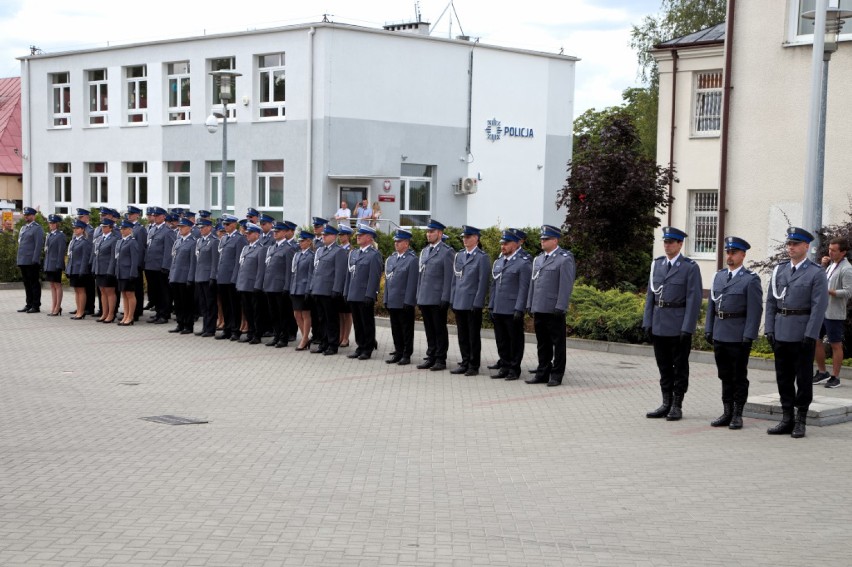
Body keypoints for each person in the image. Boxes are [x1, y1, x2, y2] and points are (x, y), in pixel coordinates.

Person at [765, 227, 828, 438]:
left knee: (803, 379)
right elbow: (771, 302)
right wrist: (769, 329)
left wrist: (810, 335)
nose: (790, 247)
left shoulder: (815, 272)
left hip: (802, 333)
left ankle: (801, 419)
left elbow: (819, 307)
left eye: (795, 244)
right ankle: (786, 418)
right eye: (789, 244)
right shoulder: (780, 270)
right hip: (781, 331)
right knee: (783, 378)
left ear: (806, 247)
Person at [704, 237, 763, 429]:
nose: (729, 256)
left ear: (743, 255)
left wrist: (749, 335)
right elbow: (711, 306)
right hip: (720, 332)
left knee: (738, 376)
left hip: (738, 335)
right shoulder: (719, 276)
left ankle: (738, 414)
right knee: (724, 375)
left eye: (734, 253)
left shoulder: (750, 279)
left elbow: (755, 311)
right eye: (727, 252)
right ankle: (727, 412)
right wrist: (709, 328)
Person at [643, 227, 703, 419]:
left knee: (679, 367)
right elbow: (650, 296)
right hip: (659, 323)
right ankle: (665, 402)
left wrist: (688, 327)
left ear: (679, 244)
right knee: (664, 367)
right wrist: (648, 322)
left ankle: (677, 404)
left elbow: (694, 300)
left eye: (671, 242)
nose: (667, 245)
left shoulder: (689, 267)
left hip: (678, 326)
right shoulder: (657, 265)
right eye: (665, 242)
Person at [525, 224, 576, 387]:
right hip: (539, 307)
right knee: (542, 343)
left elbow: (566, 284)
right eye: (541, 238)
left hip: (554, 308)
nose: (542, 241)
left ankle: (556, 375)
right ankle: (542, 372)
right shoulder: (538, 259)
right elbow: (533, 283)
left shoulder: (564, 258)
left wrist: (561, 306)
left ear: (555, 240)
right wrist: (530, 303)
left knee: (558, 344)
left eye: (545, 239)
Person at [488, 229, 532, 380]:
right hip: (499, 307)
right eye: (502, 243)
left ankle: (514, 369)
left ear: (515, 244)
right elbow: (494, 285)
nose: (503, 246)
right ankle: (504, 366)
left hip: (512, 308)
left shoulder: (523, 263)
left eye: (506, 243)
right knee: (501, 340)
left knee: (515, 341)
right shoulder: (499, 261)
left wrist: (519, 308)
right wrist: (491, 305)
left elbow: (523, 288)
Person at [449, 225, 491, 376]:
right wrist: (452, 298)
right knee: (462, 335)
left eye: (468, 237)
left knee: (473, 336)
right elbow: (455, 279)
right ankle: (465, 361)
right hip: (460, 300)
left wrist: (478, 303)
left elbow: (483, 282)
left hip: (472, 303)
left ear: (476, 238)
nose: (464, 240)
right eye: (464, 237)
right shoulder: (459, 255)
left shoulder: (482, 257)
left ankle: (474, 365)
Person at [813, 237, 852, 389]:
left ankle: (835, 377)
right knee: (816, 340)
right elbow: (821, 280)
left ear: (843, 252)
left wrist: (830, 292)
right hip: (822, 310)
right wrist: (822, 266)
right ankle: (822, 372)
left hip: (834, 312)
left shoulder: (846, 269)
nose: (830, 252)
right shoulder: (830, 265)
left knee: (836, 344)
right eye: (829, 249)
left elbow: (849, 292)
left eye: (834, 250)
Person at [416, 219, 454, 371]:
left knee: (439, 329)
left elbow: (448, 277)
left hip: (438, 298)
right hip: (425, 297)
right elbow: (421, 275)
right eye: (428, 231)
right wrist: (418, 295)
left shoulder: (447, 252)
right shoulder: (425, 251)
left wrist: (446, 297)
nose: (428, 234)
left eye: (431, 232)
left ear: (440, 233)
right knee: (429, 329)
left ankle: (440, 358)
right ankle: (431, 355)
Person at [345, 224, 383, 360]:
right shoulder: (354, 253)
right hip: (354, 293)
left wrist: (370, 294)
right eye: (358, 235)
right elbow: (349, 274)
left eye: (361, 235)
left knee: (367, 322)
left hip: (364, 295)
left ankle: (368, 348)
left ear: (369, 238)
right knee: (357, 323)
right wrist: (346, 291)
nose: (358, 237)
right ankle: (360, 346)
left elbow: (374, 277)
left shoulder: (374, 255)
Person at [309, 224, 348, 355]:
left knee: (331, 319)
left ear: (333, 236)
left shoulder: (339, 251)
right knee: (321, 319)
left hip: (329, 291)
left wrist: (336, 289)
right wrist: (312, 287)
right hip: (318, 290)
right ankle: (323, 342)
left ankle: (332, 344)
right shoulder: (321, 250)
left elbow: (339, 272)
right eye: (323, 235)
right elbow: (316, 271)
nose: (323, 237)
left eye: (326, 235)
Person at [383, 229, 419, 365]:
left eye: (399, 242)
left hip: (404, 301)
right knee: (395, 329)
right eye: (395, 241)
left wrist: (409, 301)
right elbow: (387, 281)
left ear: (406, 243)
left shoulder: (412, 260)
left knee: (406, 329)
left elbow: (412, 283)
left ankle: (406, 354)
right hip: (393, 300)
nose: (396, 244)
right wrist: (386, 298)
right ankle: (398, 352)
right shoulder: (392, 259)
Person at [263, 222, 294, 348]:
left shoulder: (288, 248)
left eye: (278, 232)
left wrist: (287, 286)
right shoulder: (272, 247)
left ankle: (283, 337)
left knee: (283, 314)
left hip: (281, 287)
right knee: (273, 313)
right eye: (274, 232)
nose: (275, 233)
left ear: (285, 233)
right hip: (270, 285)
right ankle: (276, 335)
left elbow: (289, 270)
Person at [215, 214, 246, 340]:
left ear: (234, 224)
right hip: (222, 277)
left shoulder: (239, 239)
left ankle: (235, 330)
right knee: (225, 305)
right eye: (224, 224)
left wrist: (235, 278)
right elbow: (221, 258)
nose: (225, 227)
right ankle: (227, 329)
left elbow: (239, 260)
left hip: (231, 278)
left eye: (227, 224)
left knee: (234, 306)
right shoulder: (224, 239)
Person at [144, 207, 175, 324]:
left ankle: (164, 314)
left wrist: (165, 266)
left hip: (160, 267)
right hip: (151, 266)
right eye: (154, 216)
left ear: (163, 217)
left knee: (164, 291)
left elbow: (169, 251)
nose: (155, 217)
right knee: (154, 291)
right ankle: (158, 312)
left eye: (157, 216)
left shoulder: (168, 231)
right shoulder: (152, 230)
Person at [235, 222, 264, 344]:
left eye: (250, 233)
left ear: (257, 234)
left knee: (256, 311)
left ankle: (257, 334)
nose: (247, 235)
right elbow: (241, 267)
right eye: (247, 233)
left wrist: (258, 285)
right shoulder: (246, 248)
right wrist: (238, 283)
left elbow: (261, 269)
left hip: (253, 286)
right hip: (244, 284)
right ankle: (250, 332)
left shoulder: (261, 249)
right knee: (247, 310)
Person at [168, 218, 197, 335]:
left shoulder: (193, 242)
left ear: (190, 228)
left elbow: (192, 262)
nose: (180, 229)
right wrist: (171, 275)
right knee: (178, 302)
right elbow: (173, 260)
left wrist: (190, 278)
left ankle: (188, 325)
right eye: (179, 227)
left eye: (183, 227)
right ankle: (180, 323)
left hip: (185, 277)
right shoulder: (178, 241)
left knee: (187, 303)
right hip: (175, 276)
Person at [193, 217, 219, 337]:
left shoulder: (214, 241)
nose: (201, 230)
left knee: (210, 304)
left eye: (203, 227)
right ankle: (205, 327)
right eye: (199, 228)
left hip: (208, 277)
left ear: (209, 227)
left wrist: (213, 277)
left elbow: (215, 261)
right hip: (199, 276)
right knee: (203, 304)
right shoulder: (200, 241)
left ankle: (211, 328)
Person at [16, 206, 45, 313]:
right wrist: (19, 259)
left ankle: (36, 305)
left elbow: (38, 245)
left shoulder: (37, 228)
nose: (26, 217)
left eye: (28, 215)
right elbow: (20, 245)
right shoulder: (24, 228)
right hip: (23, 260)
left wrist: (35, 259)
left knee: (34, 283)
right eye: (25, 215)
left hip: (31, 261)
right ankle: (28, 304)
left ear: (33, 216)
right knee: (26, 283)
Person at [114, 220, 142, 326]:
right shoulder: (120, 241)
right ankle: (125, 315)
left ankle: (131, 316)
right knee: (124, 294)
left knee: (130, 294)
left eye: (124, 229)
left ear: (130, 230)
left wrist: (133, 273)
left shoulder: (132, 242)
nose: (122, 230)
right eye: (121, 228)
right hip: (121, 272)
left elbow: (135, 260)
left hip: (128, 272)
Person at [290, 230, 315, 350]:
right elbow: (293, 273)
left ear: (309, 242)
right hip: (296, 288)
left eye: (303, 241)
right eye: (299, 241)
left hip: (304, 288)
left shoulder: (311, 256)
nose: (300, 243)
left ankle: (304, 339)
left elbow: (311, 275)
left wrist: (308, 290)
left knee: (305, 314)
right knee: (296, 314)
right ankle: (305, 336)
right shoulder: (298, 254)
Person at [90, 218, 118, 323]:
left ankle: (111, 314)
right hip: (99, 268)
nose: (103, 228)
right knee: (102, 292)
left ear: (111, 228)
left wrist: (110, 271)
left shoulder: (114, 239)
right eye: (102, 226)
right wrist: (94, 268)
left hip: (107, 269)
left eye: (105, 226)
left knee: (110, 291)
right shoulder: (99, 238)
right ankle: (104, 313)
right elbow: (95, 255)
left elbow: (113, 257)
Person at [66, 220, 93, 320]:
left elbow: (85, 258)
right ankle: (78, 310)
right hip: (73, 269)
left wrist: (82, 271)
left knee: (81, 291)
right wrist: (68, 269)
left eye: (77, 228)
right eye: (74, 228)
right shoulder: (74, 241)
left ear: (82, 230)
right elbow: (70, 257)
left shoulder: (85, 242)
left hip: (80, 270)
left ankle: (81, 312)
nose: (75, 230)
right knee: (77, 291)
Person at [126, 206, 147, 321]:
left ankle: (137, 311)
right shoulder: (126, 226)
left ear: (137, 215)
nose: (129, 215)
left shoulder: (140, 229)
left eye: (132, 214)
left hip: (136, 263)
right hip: (126, 264)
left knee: (137, 288)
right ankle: (129, 310)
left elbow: (141, 248)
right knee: (129, 289)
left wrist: (138, 264)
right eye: (128, 214)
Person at [43, 214, 66, 316]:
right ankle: (54, 306)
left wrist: (58, 265)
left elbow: (61, 251)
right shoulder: (50, 235)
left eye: (53, 223)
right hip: (49, 264)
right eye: (50, 223)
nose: (51, 225)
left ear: (57, 224)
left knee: (57, 285)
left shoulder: (60, 236)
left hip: (56, 264)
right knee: (52, 285)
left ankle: (57, 307)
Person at [337, 225, 354, 347]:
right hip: (339, 285)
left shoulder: (351, 250)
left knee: (347, 313)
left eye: (342, 235)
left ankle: (346, 337)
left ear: (348, 236)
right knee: (340, 313)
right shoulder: (338, 249)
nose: (340, 237)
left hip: (347, 285)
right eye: (339, 235)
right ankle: (340, 335)